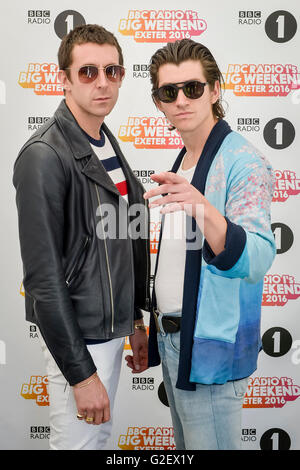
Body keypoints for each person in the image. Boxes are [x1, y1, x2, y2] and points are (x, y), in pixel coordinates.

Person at [13, 24, 150, 450]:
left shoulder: (103, 141)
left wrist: (136, 319)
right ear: (64, 79)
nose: (103, 82)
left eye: (113, 71)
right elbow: (43, 279)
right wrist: (81, 373)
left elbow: (122, 241)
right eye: (88, 72)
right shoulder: (44, 155)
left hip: (110, 331)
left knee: (98, 442)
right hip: (82, 342)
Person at [143, 39, 276, 450]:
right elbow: (175, 267)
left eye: (193, 88)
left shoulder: (244, 162)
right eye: (169, 92)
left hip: (210, 350)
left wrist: (204, 208)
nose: (181, 99)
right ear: (159, 103)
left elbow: (257, 256)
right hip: (173, 343)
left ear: (215, 90)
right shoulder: (183, 159)